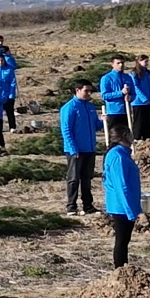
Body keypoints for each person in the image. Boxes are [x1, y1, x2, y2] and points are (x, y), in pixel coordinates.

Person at [104, 126, 141, 268]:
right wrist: (130, 210)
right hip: (121, 207)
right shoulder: (117, 156)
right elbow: (121, 186)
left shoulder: (122, 154)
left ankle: (122, 269)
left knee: (125, 240)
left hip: (125, 205)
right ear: (124, 135)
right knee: (121, 241)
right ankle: (120, 270)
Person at [61, 81, 100, 214]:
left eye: (90, 91)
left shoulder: (90, 107)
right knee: (73, 178)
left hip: (89, 148)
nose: (89, 93)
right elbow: (66, 130)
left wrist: (104, 121)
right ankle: (71, 206)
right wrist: (73, 148)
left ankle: (88, 206)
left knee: (87, 179)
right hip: (76, 150)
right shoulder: (69, 108)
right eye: (86, 91)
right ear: (77, 90)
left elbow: (95, 125)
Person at [99, 56, 135, 140]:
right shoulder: (106, 78)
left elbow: (134, 94)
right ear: (112, 64)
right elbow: (104, 95)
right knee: (114, 136)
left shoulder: (128, 77)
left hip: (126, 112)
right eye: (118, 63)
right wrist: (120, 93)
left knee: (125, 136)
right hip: (113, 112)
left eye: (122, 62)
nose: (121, 65)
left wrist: (130, 97)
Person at [129, 55, 150, 141]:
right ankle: (137, 139)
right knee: (139, 123)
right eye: (145, 61)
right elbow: (135, 87)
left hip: (148, 102)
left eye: (147, 61)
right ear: (139, 62)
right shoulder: (134, 73)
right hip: (138, 103)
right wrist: (144, 99)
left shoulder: (148, 74)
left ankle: (147, 139)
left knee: (147, 123)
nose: (147, 63)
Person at [0, 48, 20, 131]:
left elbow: (12, 82)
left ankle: (12, 127)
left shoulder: (9, 70)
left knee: (10, 111)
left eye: (2, 60)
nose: (0, 62)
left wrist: (11, 94)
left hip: (7, 93)